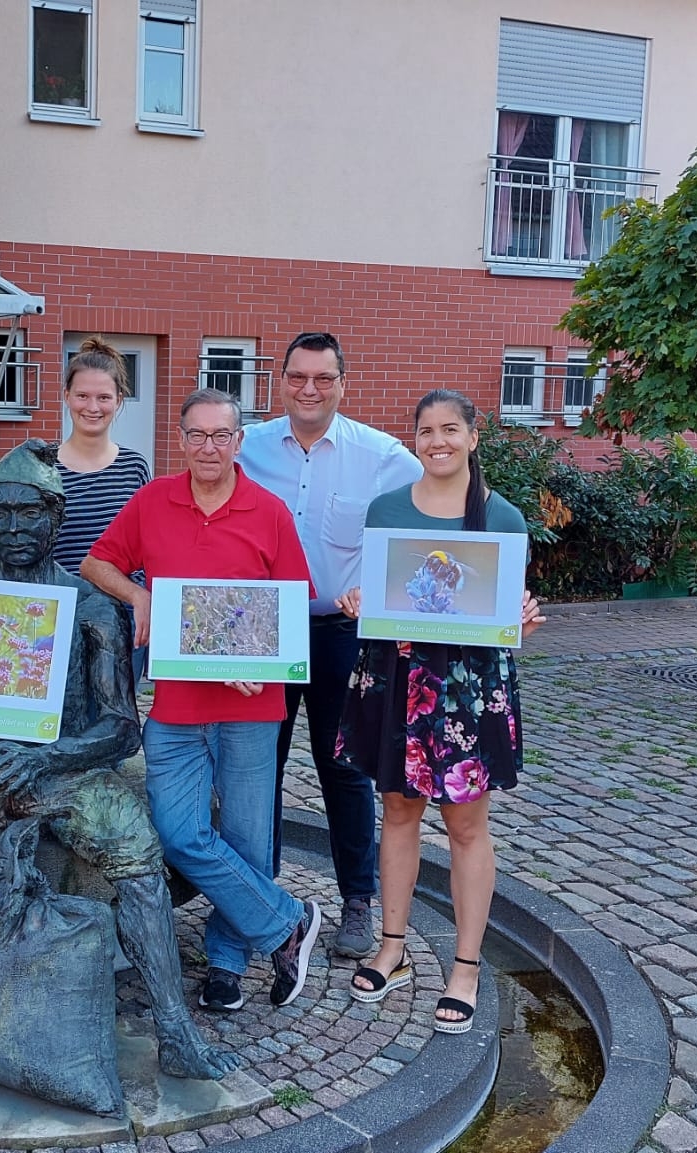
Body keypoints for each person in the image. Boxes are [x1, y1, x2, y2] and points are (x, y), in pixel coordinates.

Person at [0, 441, 239, 1101]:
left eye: (30, 513)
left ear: (56, 517)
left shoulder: (92, 605)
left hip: (65, 770)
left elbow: (121, 728)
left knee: (137, 853)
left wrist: (47, 757)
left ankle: (175, 1027)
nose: (14, 528)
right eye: (1, 513)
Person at [82, 389, 324, 1014]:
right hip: (176, 704)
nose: (209, 447)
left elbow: (292, 606)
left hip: (252, 706)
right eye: (197, 435)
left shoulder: (269, 512)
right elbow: (97, 562)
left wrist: (259, 660)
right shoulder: (153, 500)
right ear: (181, 439)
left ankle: (226, 963)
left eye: (221, 436)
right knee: (178, 833)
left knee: (246, 840)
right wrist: (138, 596)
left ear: (238, 441)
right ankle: (288, 922)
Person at [334, 389, 545, 1034]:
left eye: (450, 429)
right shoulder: (388, 509)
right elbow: (381, 589)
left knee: (466, 826)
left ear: (473, 437)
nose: (438, 441)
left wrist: (523, 619)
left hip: (465, 688)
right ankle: (392, 948)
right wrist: (358, 600)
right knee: (398, 812)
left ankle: (466, 967)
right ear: (415, 441)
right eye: (426, 431)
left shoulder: (501, 517)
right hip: (397, 677)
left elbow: (507, 611)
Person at [236, 331, 422, 960]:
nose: (309, 389)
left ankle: (357, 901)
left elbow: (437, 512)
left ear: (344, 383)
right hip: (263, 631)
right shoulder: (248, 446)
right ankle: (258, 899)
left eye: (323, 378)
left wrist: (384, 586)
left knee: (343, 769)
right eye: (297, 377)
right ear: (280, 381)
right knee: (257, 765)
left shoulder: (383, 456)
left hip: (342, 633)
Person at [0, 336, 152, 588]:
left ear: (118, 400)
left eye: (104, 397)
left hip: (120, 604)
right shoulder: (41, 467)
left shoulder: (134, 468)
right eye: (82, 395)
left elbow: (150, 540)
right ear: (66, 396)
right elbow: (6, 523)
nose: (92, 407)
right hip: (56, 603)